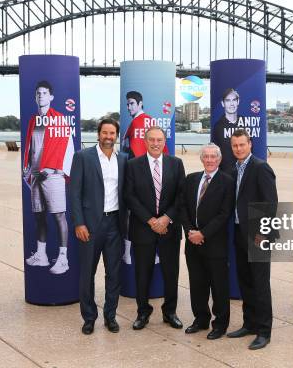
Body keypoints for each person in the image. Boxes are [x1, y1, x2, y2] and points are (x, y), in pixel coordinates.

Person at [70, 118, 127, 335]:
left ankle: (110, 317)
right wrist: (79, 223)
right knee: (87, 274)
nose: (108, 137)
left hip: (115, 223)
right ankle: (89, 317)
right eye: (105, 133)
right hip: (91, 225)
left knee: (114, 274)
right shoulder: (83, 157)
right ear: (98, 134)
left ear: (117, 136)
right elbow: (74, 193)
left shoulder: (124, 159)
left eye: (112, 133)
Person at [125, 126, 186, 330]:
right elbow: (129, 197)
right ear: (145, 141)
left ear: (164, 142)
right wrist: (152, 221)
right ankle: (142, 312)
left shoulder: (176, 164)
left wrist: (166, 218)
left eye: (159, 140)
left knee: (171, 273)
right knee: (142, 273)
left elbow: (181, 196)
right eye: (151, 139)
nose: (155, 143)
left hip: (170, 229)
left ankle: (170, 312)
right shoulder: (133, 165)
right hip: (143, 228)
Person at [226, 129, 278, 350]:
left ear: (250, 144)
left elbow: (270, 204)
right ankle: (250, 323)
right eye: (235, 145)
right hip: (239, 232)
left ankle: (264, 332)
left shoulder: (260, 167)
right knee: (245, 281)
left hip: (258, 234)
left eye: (242, 145)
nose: (238, 149)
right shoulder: (233, 168)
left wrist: (261, 234)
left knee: (260, 284)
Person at [180, 143, 234, 340]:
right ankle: (200, 319)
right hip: (192, 243)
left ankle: (220, 324)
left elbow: (224, 214)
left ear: (219, 160)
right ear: (201, 158)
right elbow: (183, 207)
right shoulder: (191, 179)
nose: (210, 160)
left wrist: (203, 233)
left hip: (215, 244)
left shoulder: (227, 182)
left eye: (213, 157)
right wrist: (189, 231)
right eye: (206, 156)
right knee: (197, 283)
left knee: (219, 286)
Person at [22, 80, 74, 275]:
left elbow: (68, 149)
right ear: (35, 97)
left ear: (51, 96)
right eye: (38, 93)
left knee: (59, 215)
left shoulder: (59, 119)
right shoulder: (33, 121)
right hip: (36, 174)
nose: (41, 96)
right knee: (39, 216)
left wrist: (55, 170)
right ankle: (42, 255)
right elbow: (30, 147)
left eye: (44, 93)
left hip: (52, 175)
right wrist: (27, 167)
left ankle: (63, 258)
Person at [121, 90, 168, 159]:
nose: (129, 108)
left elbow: (124, 145)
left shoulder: (135, 122)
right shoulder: (151, 120)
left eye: (132, 104)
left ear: (140, 104)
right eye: (128, 105)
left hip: (138, 163)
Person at [212, 88, 244, 171]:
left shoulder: (246, 122)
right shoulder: (218, 127)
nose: (231, 104)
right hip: (225, 174)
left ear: (238, 102)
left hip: (245, 173)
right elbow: (215, 152)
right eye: (228, 100)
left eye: (234, 100)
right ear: (223, 103)